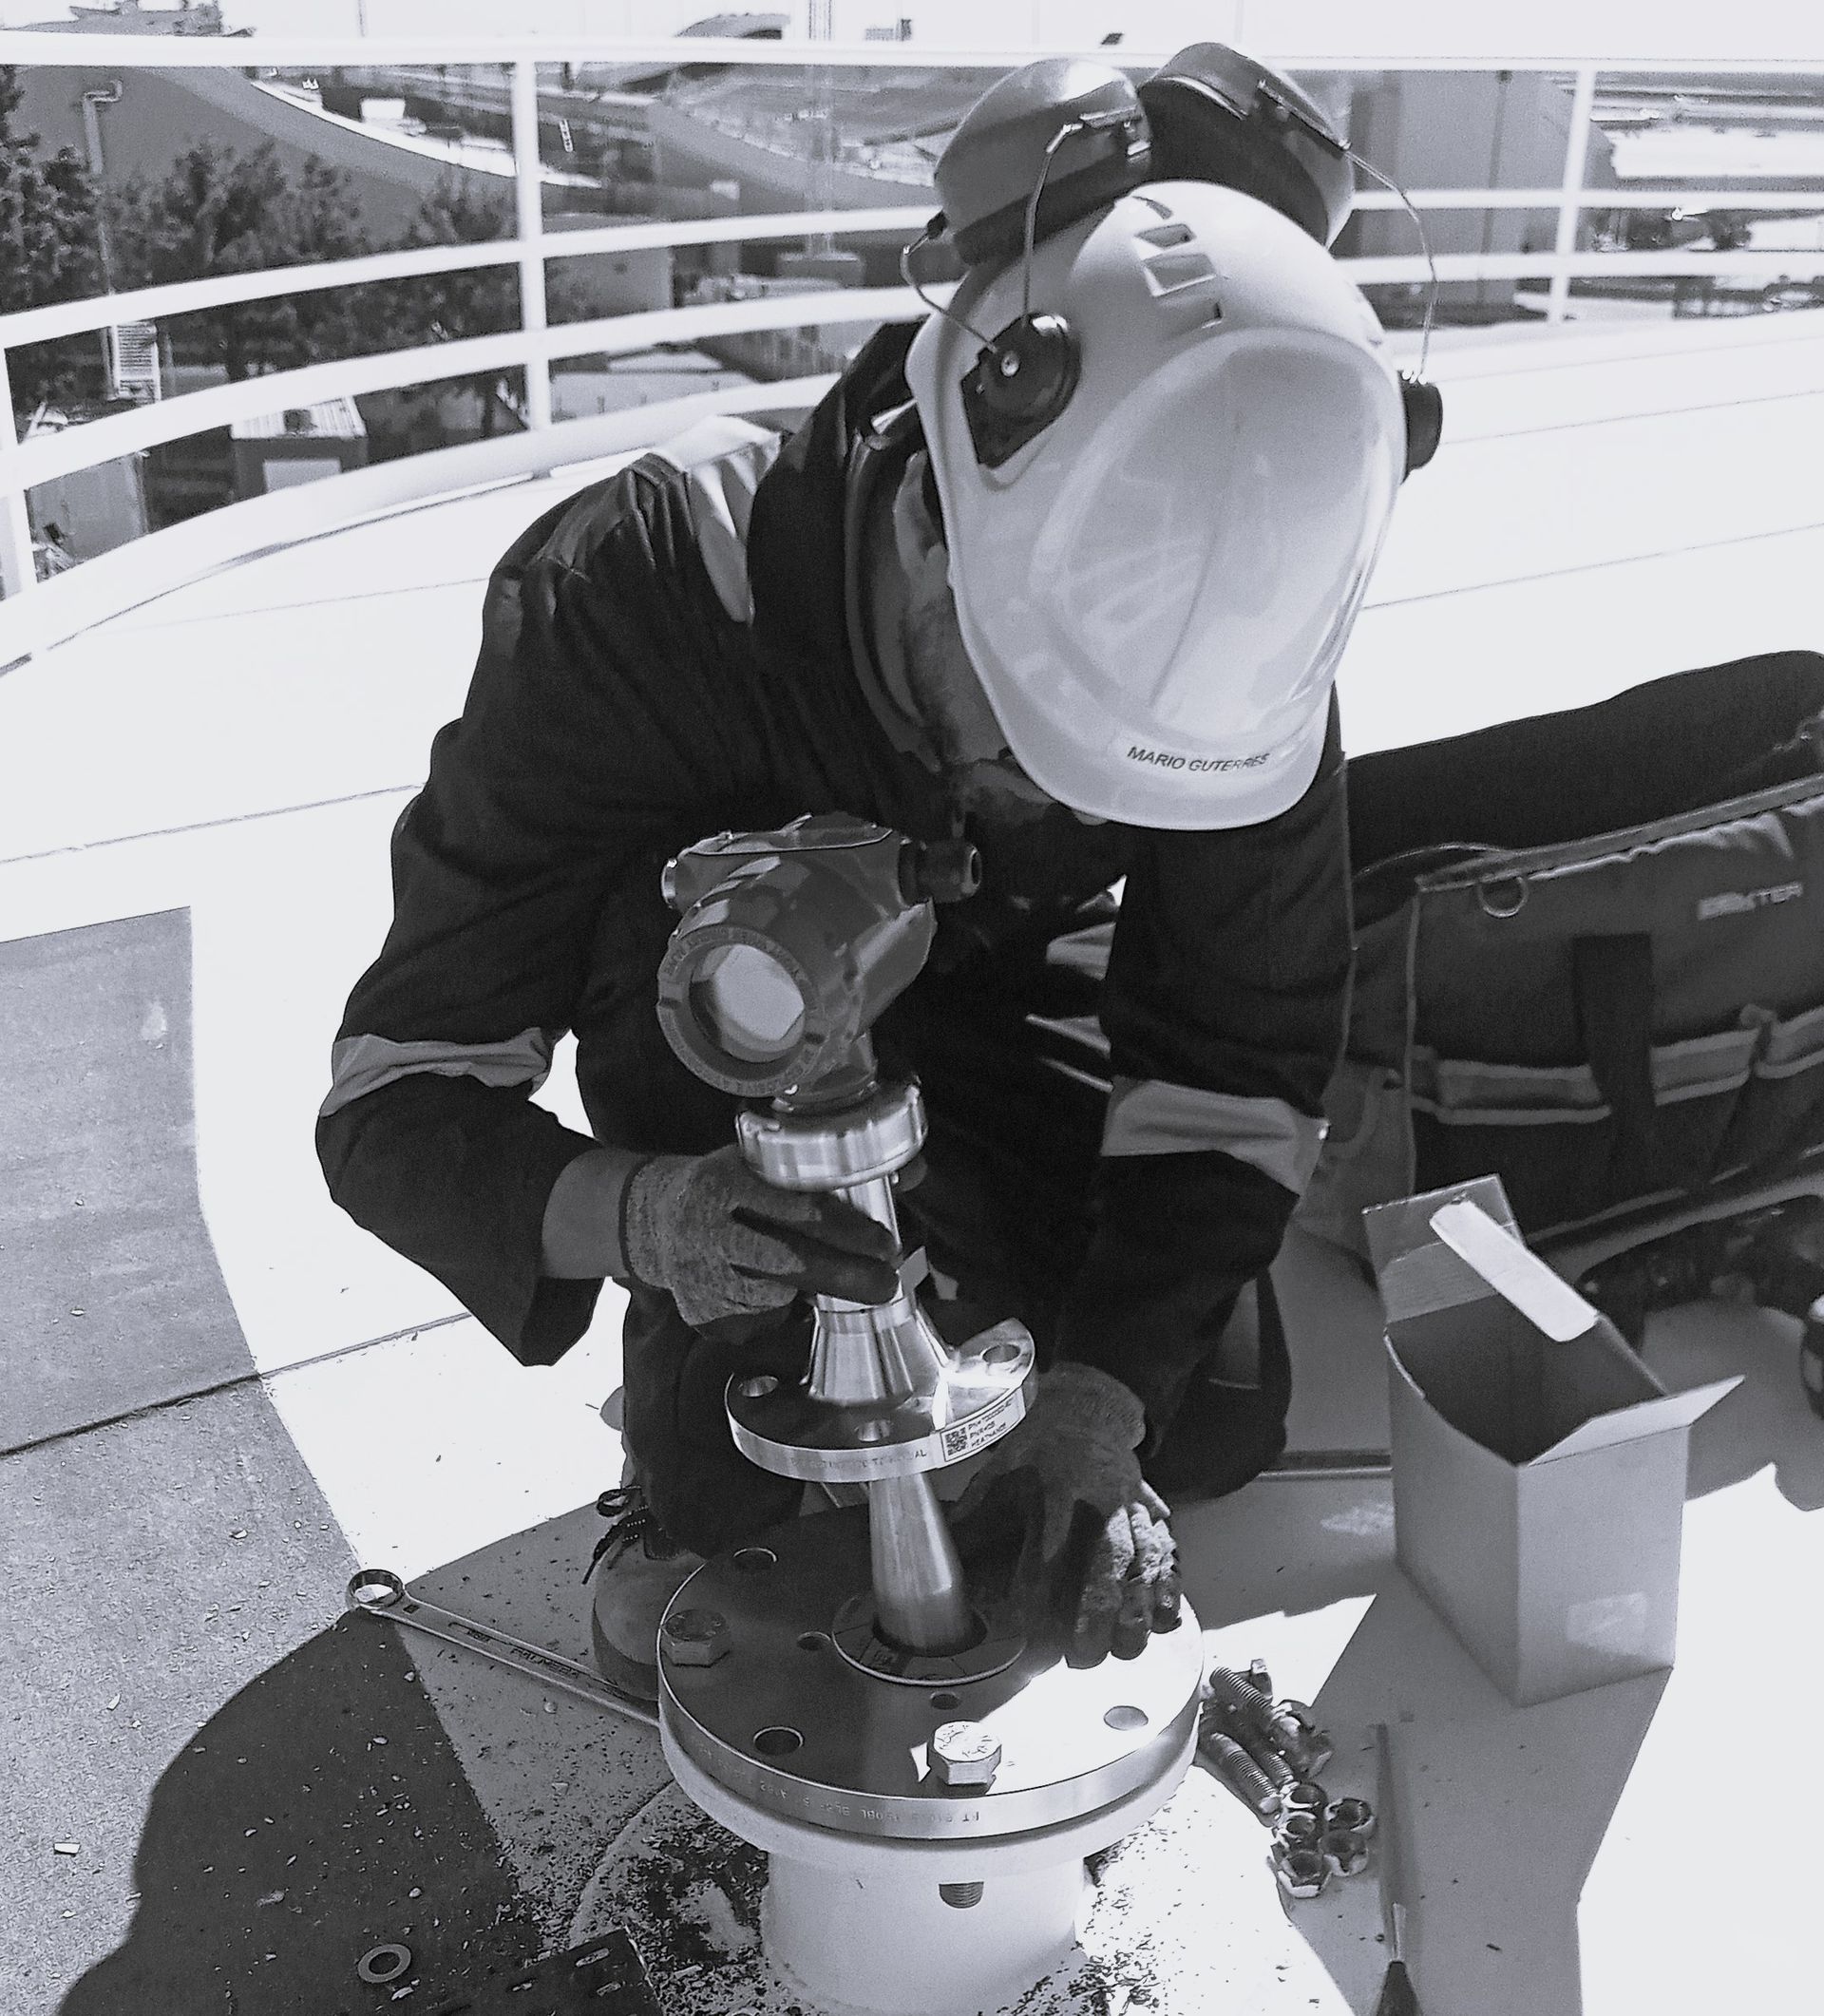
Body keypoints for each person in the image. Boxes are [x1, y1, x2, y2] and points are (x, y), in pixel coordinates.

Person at [316, 48, 1424, 1696]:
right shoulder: (650, 596)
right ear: (928, 503)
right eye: (1016, 717)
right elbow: (390, 1104)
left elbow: (1240, 1061)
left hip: (989, 995)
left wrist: (1103, 1394)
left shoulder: (1231, 659)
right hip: (725, 1065)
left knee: (1208, 1405)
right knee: (764, 1477)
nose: (1042, 781)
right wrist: (648, 1218)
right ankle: (692, 1414)